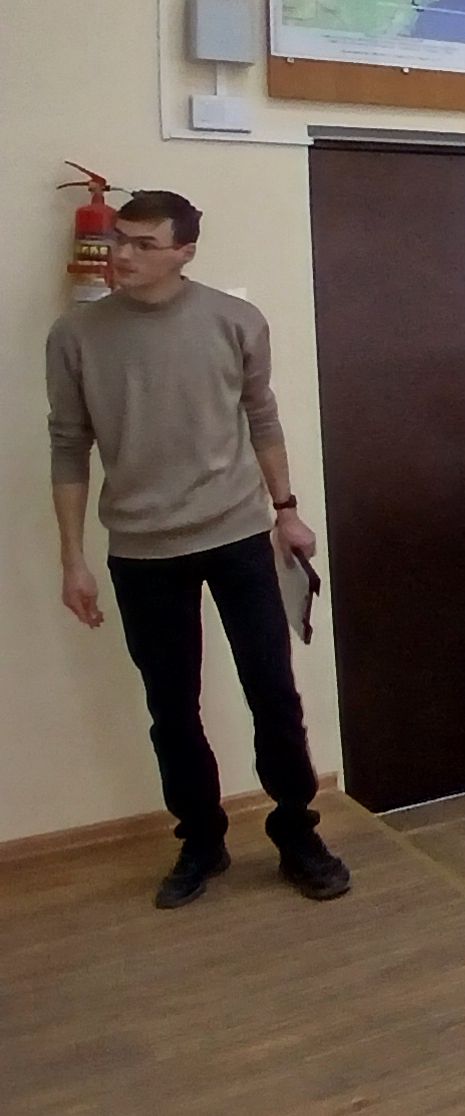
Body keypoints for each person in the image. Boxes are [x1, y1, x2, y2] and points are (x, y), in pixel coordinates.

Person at [47, 190, 350, 908]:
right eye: (119, 238)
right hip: (141, 551)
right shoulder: (76, 335)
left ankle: (296, 833)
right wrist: (73, 559)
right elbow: (68, 446)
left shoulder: (235, 321)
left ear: (184, 252)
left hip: (238, 536)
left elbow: (262, 416)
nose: (122, 254)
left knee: (273, 693)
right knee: (172, 707)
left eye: (143, 244)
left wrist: (286, 511)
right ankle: (202, 841)